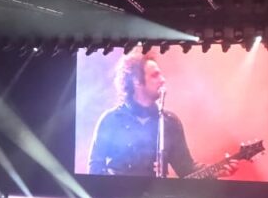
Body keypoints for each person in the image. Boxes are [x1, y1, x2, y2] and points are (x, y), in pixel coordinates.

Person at [88, 53, 234, 178]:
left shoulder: (169, 122)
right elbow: (95, 168)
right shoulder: (111, 120)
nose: (162, 80)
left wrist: (215, 171)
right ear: (137, 81)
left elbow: (186, 168)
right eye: (155, 75)